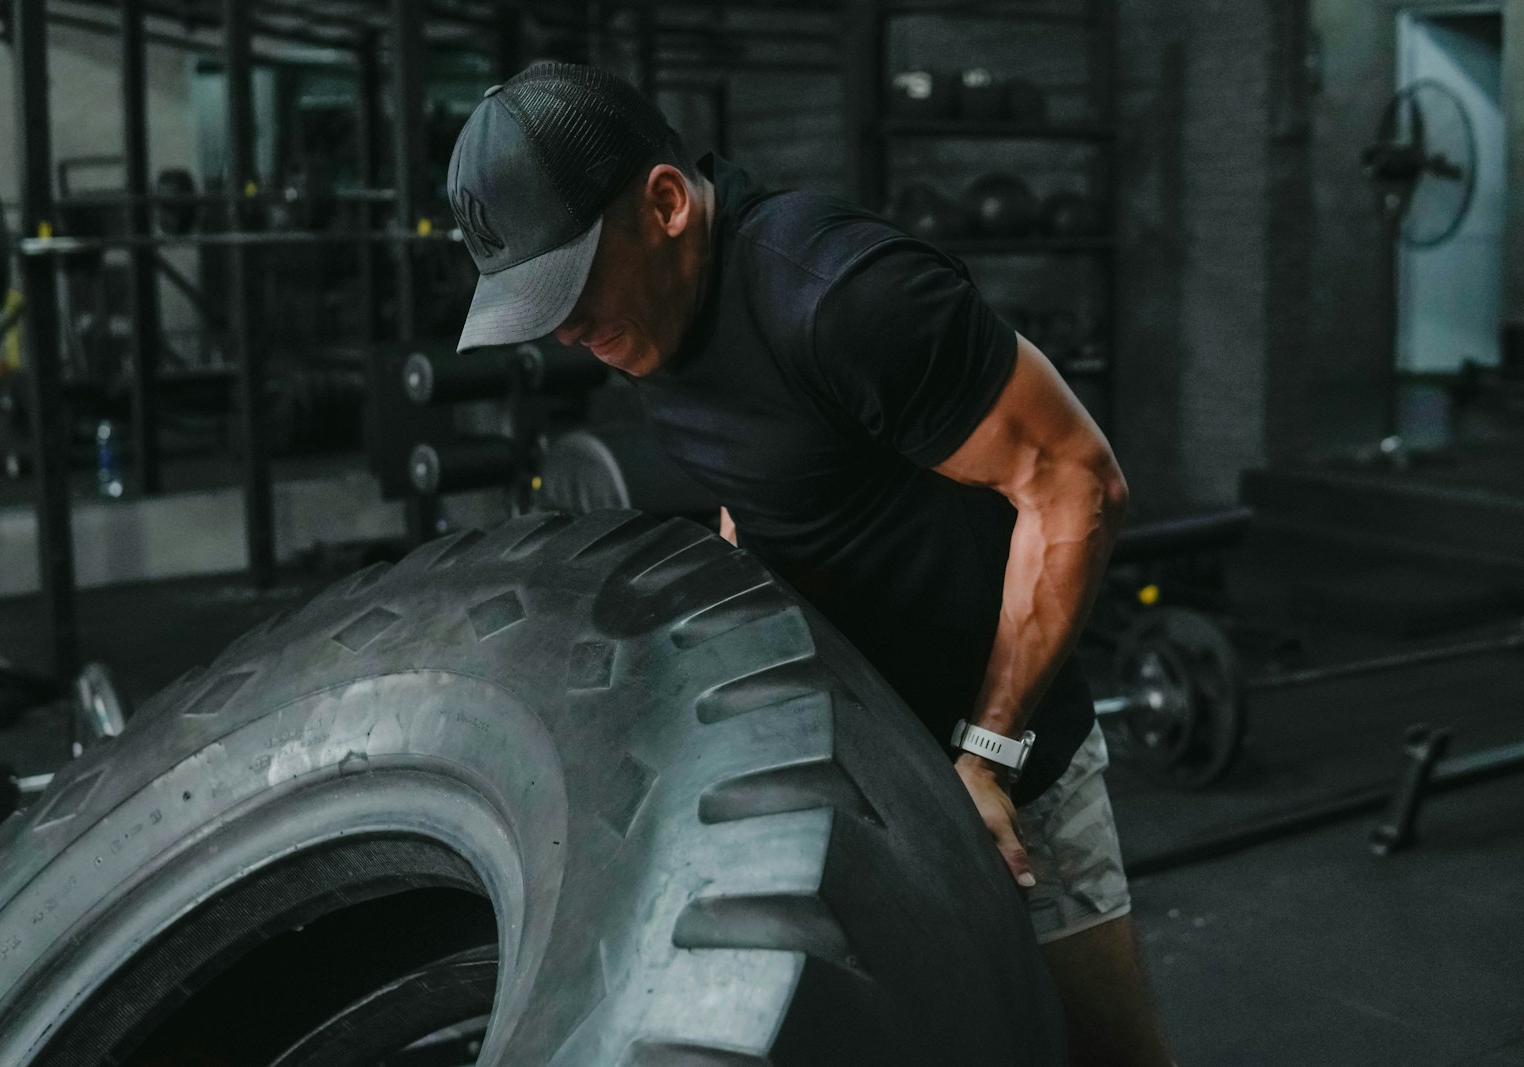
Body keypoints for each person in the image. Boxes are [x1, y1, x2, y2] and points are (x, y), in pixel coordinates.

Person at [447, 61, 1177, 1066]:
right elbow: (766, 495)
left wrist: (987, 754)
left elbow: (1075, 484)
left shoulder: (842, 295)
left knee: (1102, 1058)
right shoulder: (653, 321)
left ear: (663, 202)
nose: (567, 328)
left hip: (1002, 766)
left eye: (572, 285)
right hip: (860, 772)